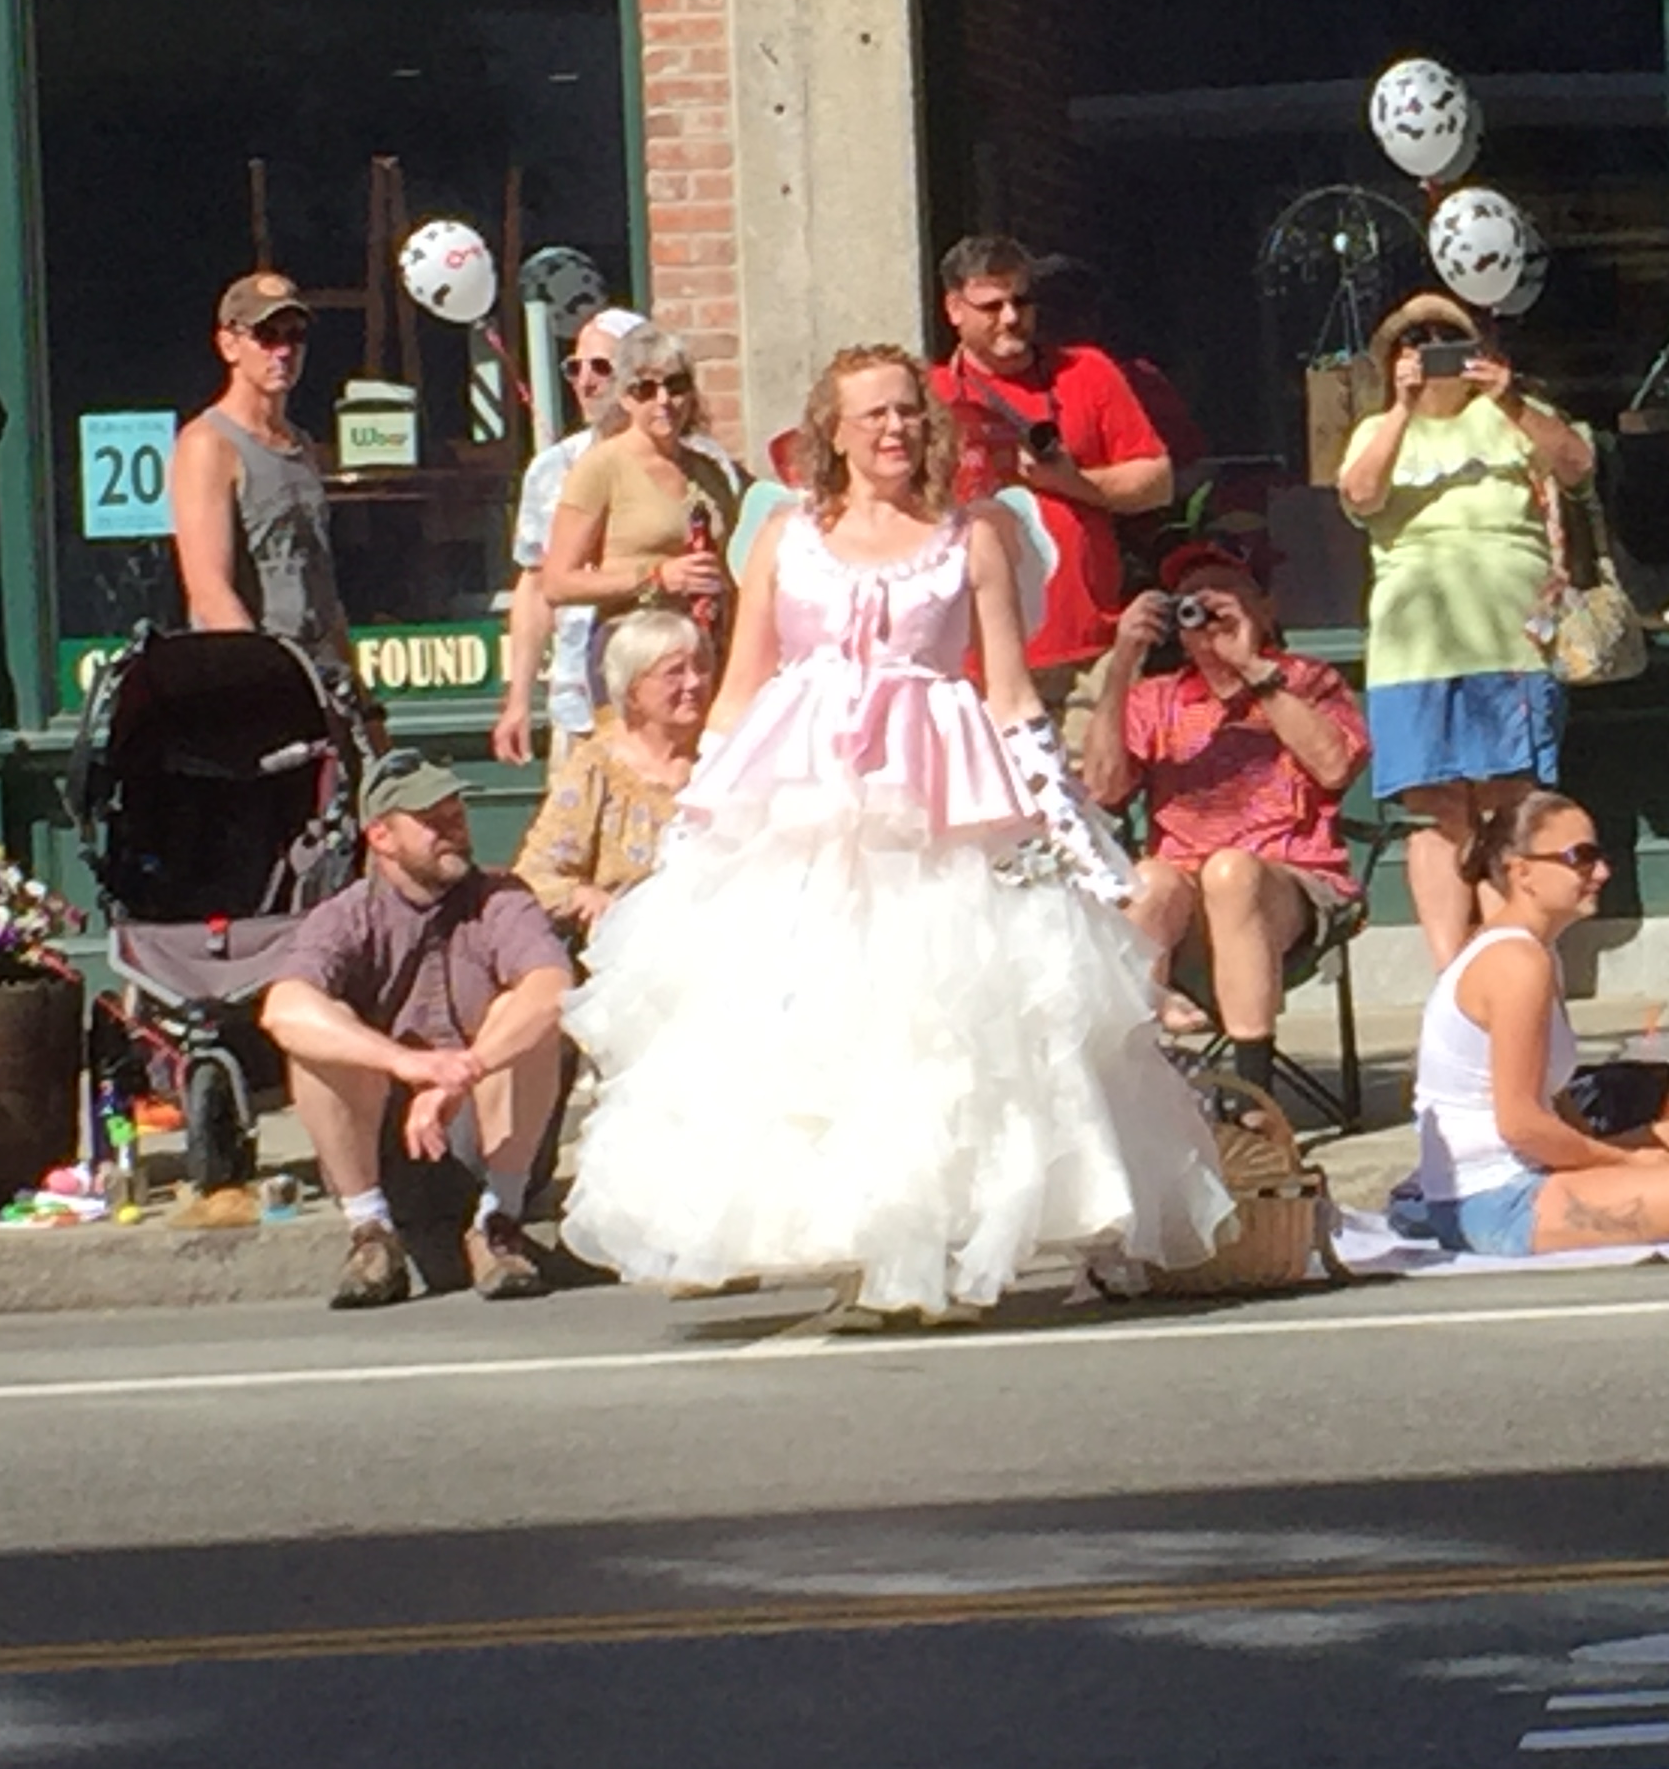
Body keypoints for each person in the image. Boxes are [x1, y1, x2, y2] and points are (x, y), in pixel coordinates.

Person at [557, 347, 1233, 1319]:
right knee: (810, 1016)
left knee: (941, 1020)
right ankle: (846, 1233)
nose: (894, 429)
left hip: (935, 800)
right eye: (872, 414)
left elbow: (1011, 698)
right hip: (803, 801)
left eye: (909, 411)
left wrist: (1068, 835)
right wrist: (697, 824)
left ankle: (926, 1234)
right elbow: (739, 688)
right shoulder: (785, 536)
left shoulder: (974, 538)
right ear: (832, 432)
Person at [1336, 292, 1598, 969]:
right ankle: (1452, 974)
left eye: (1447, 339)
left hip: (1510, 645)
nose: (1432, 353)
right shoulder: (1376, 430)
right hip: (1412, 653)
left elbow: (1577, 468)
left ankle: (1512, 958)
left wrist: (1509, 399)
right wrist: (1401, 408)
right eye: (1414, 342)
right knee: (1435, 810)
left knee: (1511, 805)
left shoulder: (1514, 416)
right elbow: (1360, 495)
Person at [259, 749, 574, 1309]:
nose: (454, 829)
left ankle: (498, 1224)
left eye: (457, 814)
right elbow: (282, 1008)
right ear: (381, 836)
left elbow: (553, 987)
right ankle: (370, 1234)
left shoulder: (503, 898)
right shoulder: (345, 915)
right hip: (385, 1142)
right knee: (323, 1031)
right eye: (432, 820)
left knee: (524, 1012)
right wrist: (407, 1064)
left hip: (491, 1134)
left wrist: (466, 1069)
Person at [1395, 794, 1669, 1256]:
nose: (1601, 873)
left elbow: (1554, 1096)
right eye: (1580, 858)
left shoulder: (1537, 952)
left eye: (1599, 856)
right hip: (1494, 1197)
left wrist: (1611, 1157)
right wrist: (1625, 1163)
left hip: (1528, 1171)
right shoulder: (1516, 963)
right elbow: (1522, 1125)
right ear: (1522, 872)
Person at [1077, 537, 1369, 1085]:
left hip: (1295, 885)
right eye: (1191, 602)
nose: (1208, 613)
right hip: (1185, 891)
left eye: (1225, 595)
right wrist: (1121, 664)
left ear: (1265, 608)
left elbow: (1335, 767)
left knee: (1231, 873)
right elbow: (1101, 788)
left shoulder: (1306, 680)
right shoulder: (1157, 698)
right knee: (1148, 881)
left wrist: (1253, 668)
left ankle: (1252, 1096)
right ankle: (1131, 1080)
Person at [930, 234, 1173, 743]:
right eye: (991, 306)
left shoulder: (1087, 372)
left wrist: (1070, 482)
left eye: (1021, 301)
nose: (1010, 318)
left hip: (1090, 645)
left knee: (1092, 788)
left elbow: (1156, 481)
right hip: (976, 658)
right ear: (954, 309)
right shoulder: (929, 397)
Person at [169, 271, 356, 686]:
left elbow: (323, 587)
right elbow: (209, 591)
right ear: (229, 345)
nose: (284, 351)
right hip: (250, 686)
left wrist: (361, 697)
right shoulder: (208, 444)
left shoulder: (302, 445)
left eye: (296, 336)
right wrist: (266, 681)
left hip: (322, 682)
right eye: (267, 336)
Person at [495, 306, 643, 768]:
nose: (585, 381)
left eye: (601, 367)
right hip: (577, 707)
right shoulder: (552, 468)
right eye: (574, 368)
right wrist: (519, 699)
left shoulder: (677, 466)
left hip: (656, 699)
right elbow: (535, 584)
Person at [510, 609, 713, 941]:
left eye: (701, 668)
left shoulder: (723, 757)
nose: (693, 682)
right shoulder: (597, 766)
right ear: (632, 691)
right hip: (627, 952)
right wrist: (584, 897)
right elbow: (535, 874)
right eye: (674, 672)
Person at [539, 323, 743, 635]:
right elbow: (557, 584)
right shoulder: (600, 467)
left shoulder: (709, 471)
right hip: (633, 644)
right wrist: (656, 578)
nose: (663, 400)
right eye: (645, 389)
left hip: (706, 644)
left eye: (676, 386)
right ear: (624, 398)